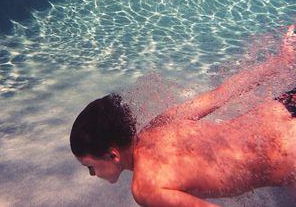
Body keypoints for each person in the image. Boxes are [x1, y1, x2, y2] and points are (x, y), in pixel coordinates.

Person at [70, 24, 296, 207]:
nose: (92, 174)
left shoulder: (145, 187)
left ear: (113, 155)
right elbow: (220, 95)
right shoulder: (158, 125)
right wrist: (279, 62)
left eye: (90, 166)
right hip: (282, 107)